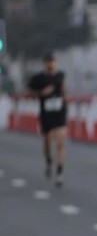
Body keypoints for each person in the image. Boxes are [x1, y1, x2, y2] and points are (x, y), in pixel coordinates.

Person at [28, 51, 68, 187]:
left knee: (61, 141)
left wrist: (66, 95)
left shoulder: (60, 76)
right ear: (45, 63)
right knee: (48, 139)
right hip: (46, 113)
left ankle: (60, 172)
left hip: (60, 111)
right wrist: (41, 93)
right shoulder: (38, 78)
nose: (51, 64)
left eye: (53, 61)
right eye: (48, 61)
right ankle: (49, 161)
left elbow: (65, 90)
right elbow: (29, 92)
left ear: (56, 62)